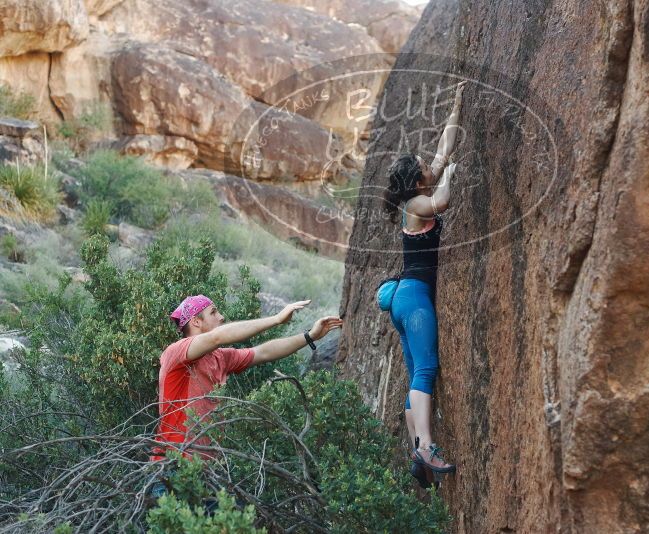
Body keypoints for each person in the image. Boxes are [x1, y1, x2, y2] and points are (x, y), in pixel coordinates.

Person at [382, 80, 466, 484]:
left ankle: (417, 454)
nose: (429, 166)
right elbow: (442, 201)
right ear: (417, 181)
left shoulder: (415, 191)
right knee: (426, 369)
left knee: (416, 370)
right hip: (414, 300)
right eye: (425, 168)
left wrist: (456, 105)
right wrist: (449, 175)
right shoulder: (415, 204)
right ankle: (426, 448)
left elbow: (442, 149)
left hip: (405, 301)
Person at [150, 294, 342, 466]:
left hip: (207, 470)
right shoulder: (176, 352)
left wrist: (310, 336)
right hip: (172, 465)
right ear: (196, 322)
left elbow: (263, 352)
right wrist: (276, 319)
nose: (221, 317)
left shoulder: (220, 358)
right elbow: (217, 337)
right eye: (213, 312)